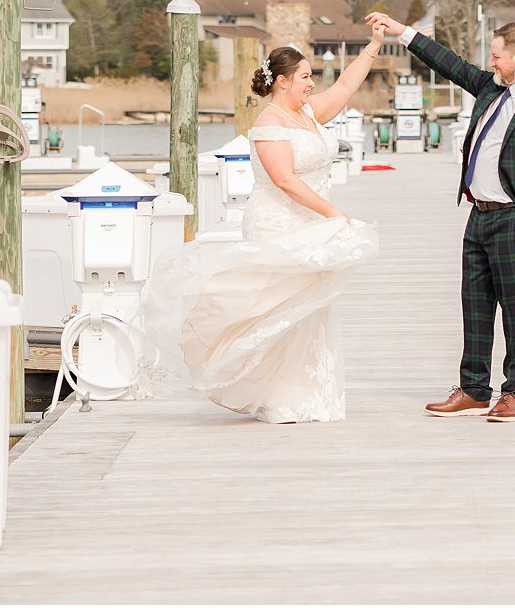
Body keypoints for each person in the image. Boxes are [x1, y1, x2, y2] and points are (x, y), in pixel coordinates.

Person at [138, 29, 383, 423]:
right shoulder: (270, 123)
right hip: (278, 223)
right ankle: (262, 389)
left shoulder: (306, 114)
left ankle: (299, 393)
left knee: (307, 309)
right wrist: (333, 212)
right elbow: (285, 180)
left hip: (310, 221)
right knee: (270, 309)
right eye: (304, 77)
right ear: (283, 82)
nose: (311, 83)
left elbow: (344, 86)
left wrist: (372, 45)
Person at [366, 13, 515, 422]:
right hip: (478, 217)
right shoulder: (491, 88)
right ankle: (475, 390)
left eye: (496, 56)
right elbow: (450, 63)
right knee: (474, 308)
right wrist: (402, 31)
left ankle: (513, 393)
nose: (490, 63)